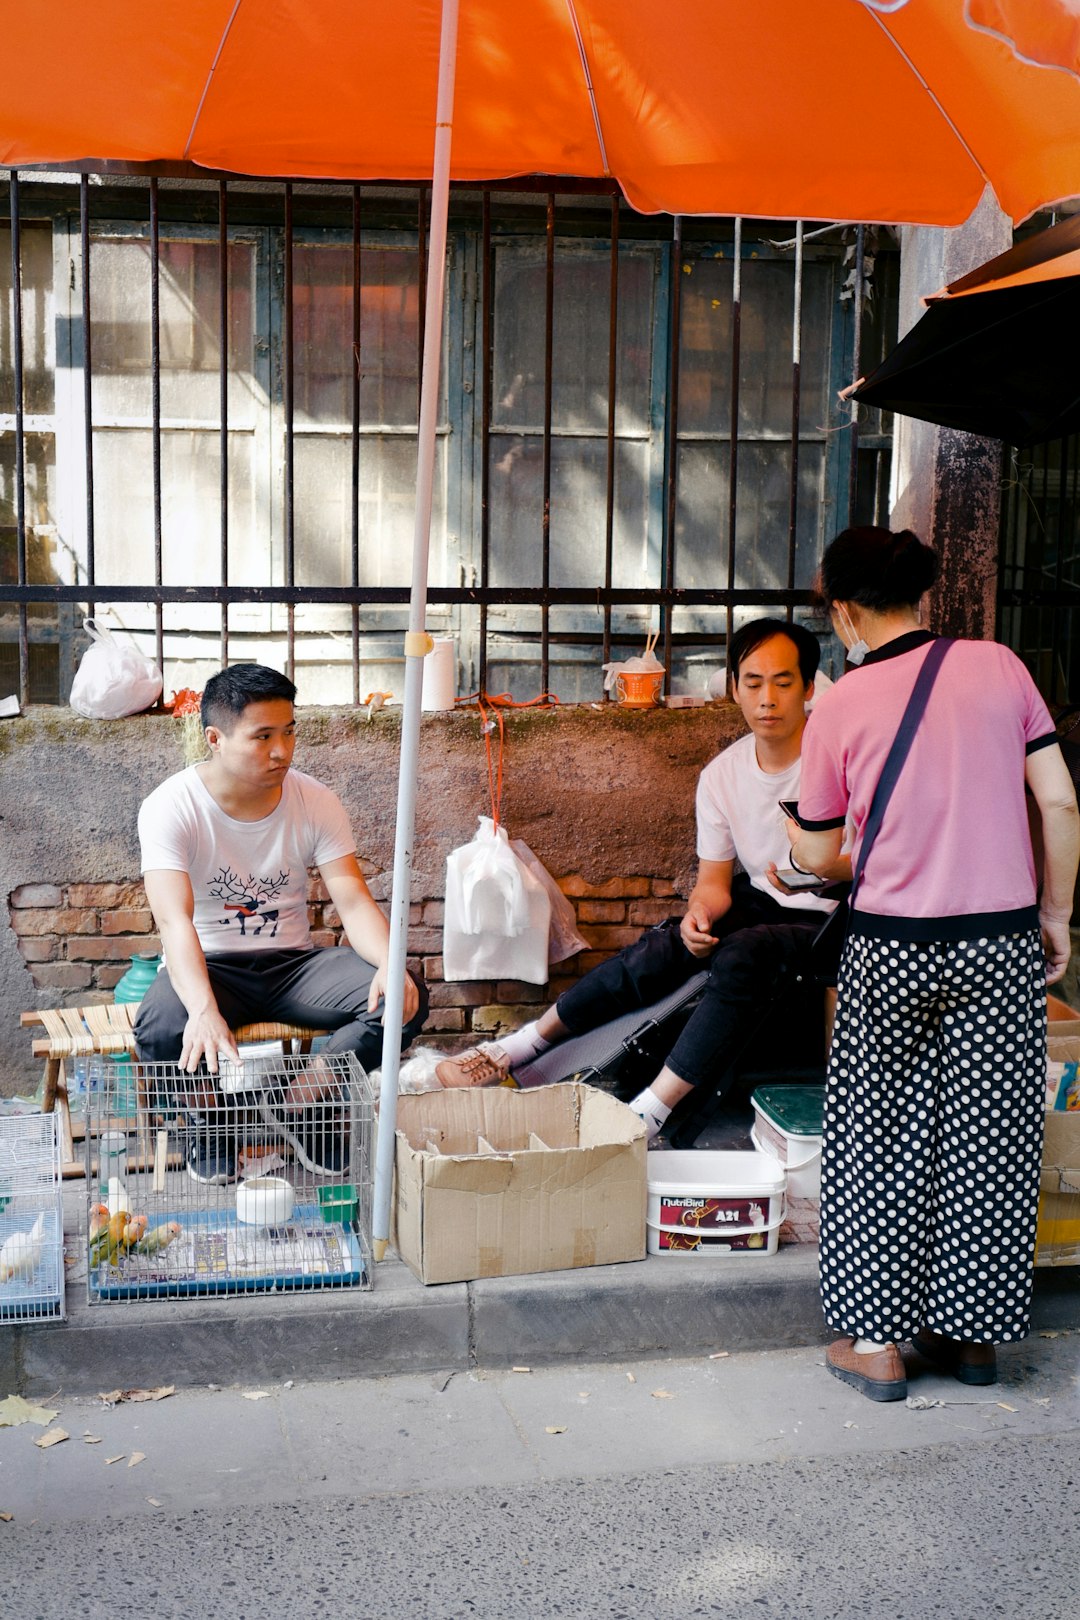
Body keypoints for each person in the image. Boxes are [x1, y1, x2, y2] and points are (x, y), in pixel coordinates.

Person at [787, 526, 1080, 1403]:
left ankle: (876, 1344)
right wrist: (1055, 916)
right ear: (919, 594)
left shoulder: (838, 702)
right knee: (989, 1134)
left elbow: (819, 847)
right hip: (999, 937)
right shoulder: (1001, 666)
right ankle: (974, 1339)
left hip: (890, 944)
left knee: (882, 1136)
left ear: (840, 607)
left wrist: (812, 860)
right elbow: (1059, 799)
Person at [435, 617, 850, 1143]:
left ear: (809, 688)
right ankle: (519, 1047)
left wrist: (826, 868)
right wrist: (700, 915)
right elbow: (715, 882)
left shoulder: (840, 762)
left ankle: (649, 1113)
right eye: (753, 682)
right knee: (665, 946)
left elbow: (877, 864)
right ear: (734, 690)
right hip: (764, 902)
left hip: (833, 921)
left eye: (784, 682)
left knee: (746, 953)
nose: (767, 698)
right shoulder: (722, 775)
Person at [134, 663, 428, 1182]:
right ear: (215, 738)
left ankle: (302, 1107)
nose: (282, 751)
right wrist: (202, 1008)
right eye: (263, 736)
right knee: (160, 1027)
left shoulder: (315, 800)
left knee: (402, 993)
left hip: (294, 966)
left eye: (289, 732)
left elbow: (354, 902)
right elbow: (174, 923)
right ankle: (211, 1126)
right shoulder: (170, 807)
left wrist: (387, 963)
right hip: (212, 967)